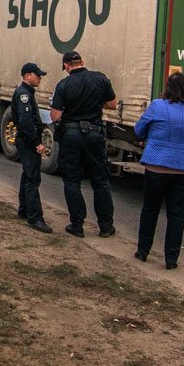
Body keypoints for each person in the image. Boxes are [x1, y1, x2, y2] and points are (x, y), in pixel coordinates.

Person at [133, 72, 184, 270]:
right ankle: (171, 259)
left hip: (156, 164)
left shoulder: (157, 105)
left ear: (167, 89)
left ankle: (143, 251)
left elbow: (138, 130)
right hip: (183, 168)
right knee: (177, 214)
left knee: (150, 209)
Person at [49, 50, 118, 238]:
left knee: (72, 181)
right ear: (83, 62)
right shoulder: (100, 79)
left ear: (66, 66)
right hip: (95, 134)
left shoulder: (63, 84)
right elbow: (113, 105)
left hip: (71, 135)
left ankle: (77, 225)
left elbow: (55, 115)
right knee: (100, 181)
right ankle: (105, 226)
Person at [11, 62, 52, 233]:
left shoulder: (26, 93)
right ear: (27, 76)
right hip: (28, 141)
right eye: (37, 75)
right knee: (33, 178)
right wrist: (37, 143)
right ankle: (35, 218)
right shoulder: (24, 95)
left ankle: (24, 209)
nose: (40, 78)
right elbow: (26, 122)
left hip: (26, 139)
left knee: (28, 174)